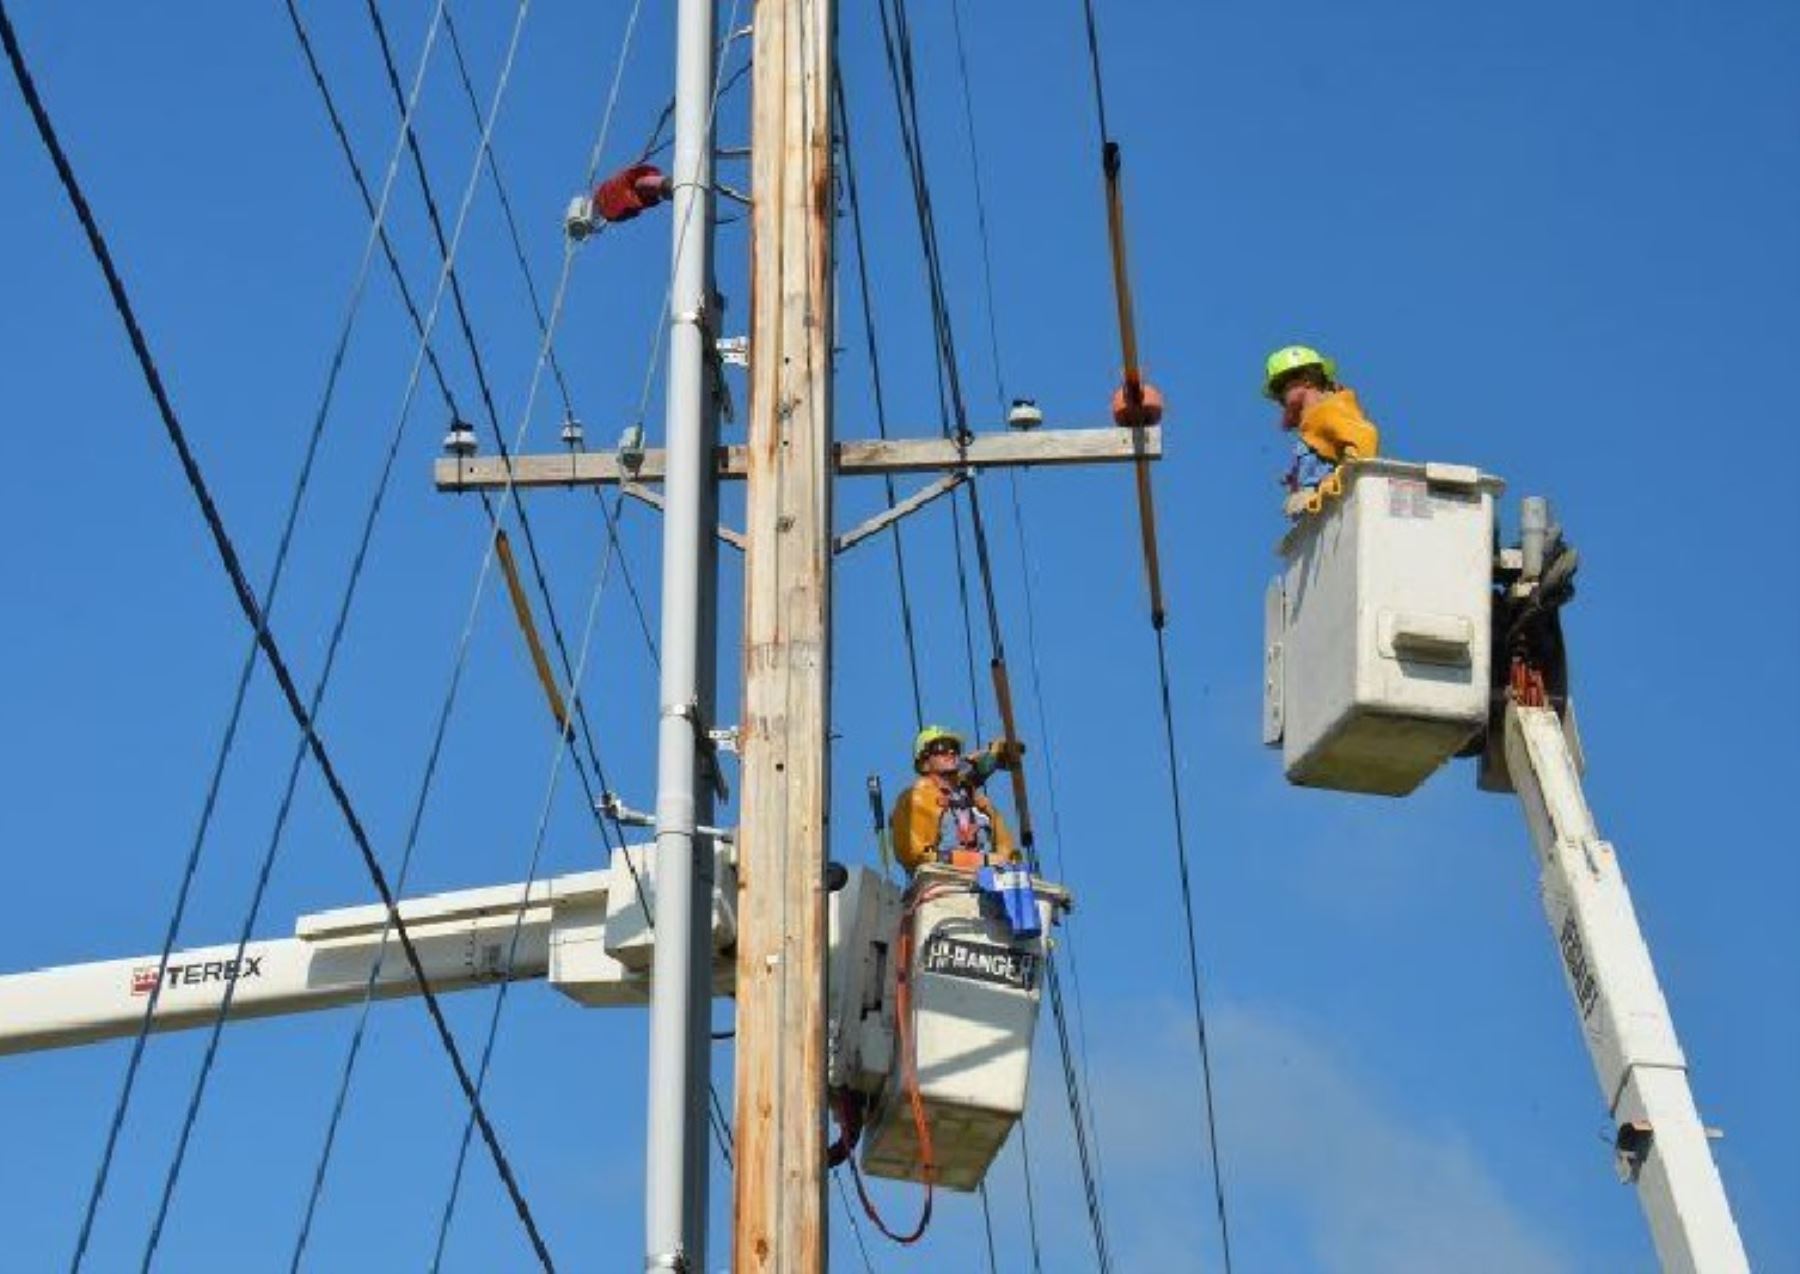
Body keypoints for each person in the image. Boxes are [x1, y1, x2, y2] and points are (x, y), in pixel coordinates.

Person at [1264, 344, 1380, 516]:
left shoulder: (1328, 410)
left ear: (1306, 380)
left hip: (1336, 508)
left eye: (1282, 386)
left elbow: (1364, 440)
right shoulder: (1312, 423)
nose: (1280, 395)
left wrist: (1338, 480)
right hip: (1323, 515)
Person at [889, 725, 1022, 875]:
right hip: (945, 886)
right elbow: (916, 854)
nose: (950, 752)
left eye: (954, 748)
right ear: (924, 762)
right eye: (940, 748)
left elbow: (973, 768)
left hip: (992, 885)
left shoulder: (978, 804)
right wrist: (979, 861)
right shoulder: (915, 798)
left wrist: (995, 753)